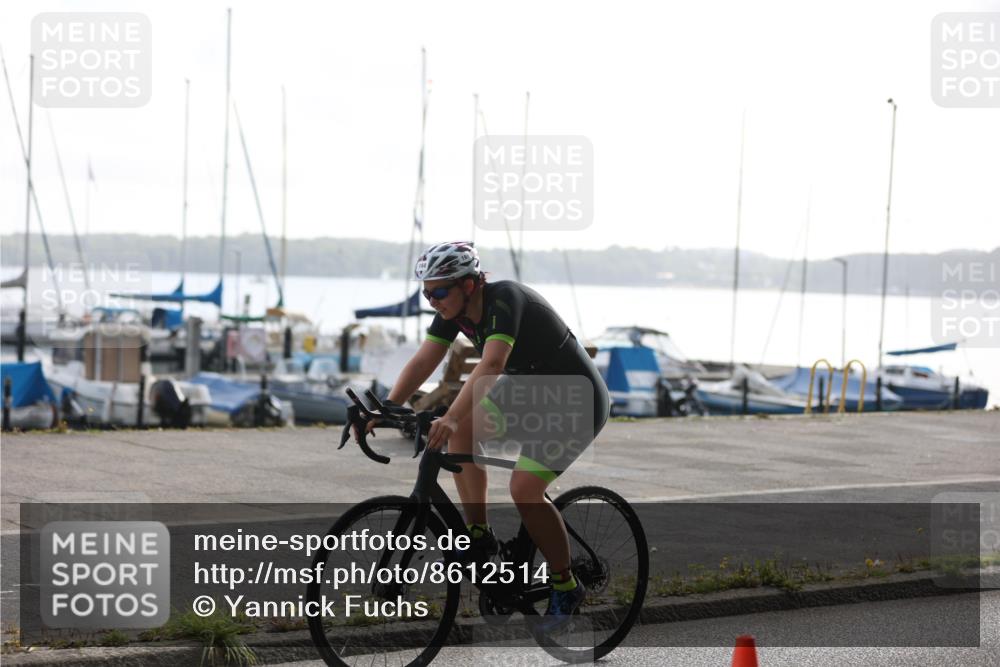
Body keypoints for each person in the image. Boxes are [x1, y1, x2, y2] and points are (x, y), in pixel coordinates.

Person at [360, 241, 611, 629]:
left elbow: (493, 362)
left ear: (470, 284)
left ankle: (566, 584)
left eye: (440, 291)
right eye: (427, 292)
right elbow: (426, 358)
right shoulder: (451, 310)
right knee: (463, 437)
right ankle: (479, 535)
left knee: (524, 489)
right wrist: (388, 406)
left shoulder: (505, 299)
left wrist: (451, 416)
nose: (433, 300)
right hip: (528, 390)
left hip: (574, 398)